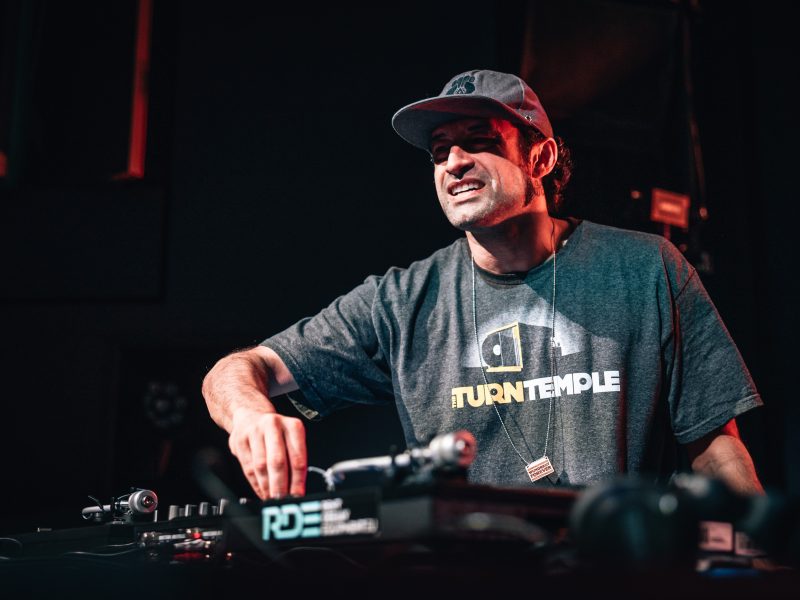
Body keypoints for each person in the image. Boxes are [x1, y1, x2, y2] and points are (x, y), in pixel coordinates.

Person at [202, 69, 764, 501]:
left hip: (620, 569)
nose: (454, 162)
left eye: (479, 140)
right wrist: (250, 414)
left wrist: (753, 555)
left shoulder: (646, 269)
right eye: (440, 149)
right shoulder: (401, 301)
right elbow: (234, 372)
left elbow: (715, 444)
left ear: (540, 157)